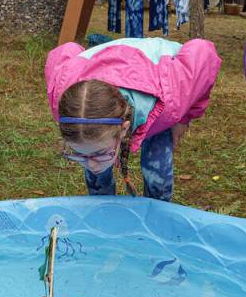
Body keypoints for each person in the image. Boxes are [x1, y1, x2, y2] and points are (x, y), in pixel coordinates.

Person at [45, 37, 221, 201]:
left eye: (98, 154)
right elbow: (66, 50)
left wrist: (185, 117)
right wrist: (93, 153)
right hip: (107, 69)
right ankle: (101, 208)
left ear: (123, 128)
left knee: (156, 163)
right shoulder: (66, 104)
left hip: (157, 82)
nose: (92, 164)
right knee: (96, 156)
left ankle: (157, 212)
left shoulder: (170, 100)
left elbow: (202, 53)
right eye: (79, 154)